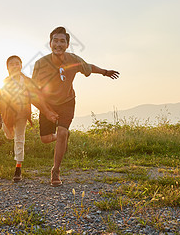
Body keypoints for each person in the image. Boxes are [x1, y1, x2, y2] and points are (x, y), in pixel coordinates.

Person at [32, 26, 119, 186]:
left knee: (63, 132)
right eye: (55, 41)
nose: (58, 44)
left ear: (67, 45)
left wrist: (105, 72)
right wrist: (47, 111)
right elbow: (33, 93)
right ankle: (61, 137)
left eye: (62, 41)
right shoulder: (40, 64)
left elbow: (89, 67)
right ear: (50, 43)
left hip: (67, 101)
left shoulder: (72, 59)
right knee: (45, 139)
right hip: (47, 103)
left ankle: (55, 171)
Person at [0, 56, 58, 182]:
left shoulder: (27, 81)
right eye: (11, 65)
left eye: (17, 64)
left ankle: (18, 169)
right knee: (9, 135)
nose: (15, 66)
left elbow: (37, 96)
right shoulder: (5, 82)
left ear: (21, 66)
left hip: (22, 114)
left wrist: (47, 110)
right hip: (8, 115)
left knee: (19, 139)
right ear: (8, 68)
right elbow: (0, 99)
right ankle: (1, 121)